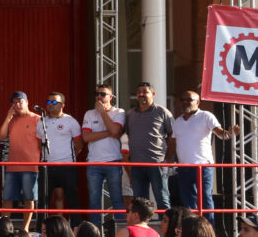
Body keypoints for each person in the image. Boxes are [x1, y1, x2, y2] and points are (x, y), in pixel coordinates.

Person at [172, 90, 233, 227]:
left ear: (198, 102)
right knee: (187, 202)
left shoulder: (206, 116)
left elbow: (221, 134)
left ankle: (209, 232)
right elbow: (173, 144)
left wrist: (230, 133)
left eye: (189, 99)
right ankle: (192, 231)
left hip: (203, 167)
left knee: (205, 199)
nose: (185, 102)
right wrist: (168, 162)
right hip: (183, 168)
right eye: (183, 99)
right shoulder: (178, 121)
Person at [82, 85, 126, 228]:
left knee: (117, 198)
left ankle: (120, 233)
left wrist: (102, 112)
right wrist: (109, 133)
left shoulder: (119, 112)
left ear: (111, 97)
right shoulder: (89, 113)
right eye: (97, 94)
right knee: (94, 200)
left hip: (113, 160)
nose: (99, 97)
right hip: (94, 162)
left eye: (103, 94)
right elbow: (86, 137)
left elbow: (115, 130)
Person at [125, 82, 174, 210]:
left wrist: (168, 160)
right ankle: (143, 229)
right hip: (137, 165)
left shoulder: (162, 112)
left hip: (157, 163)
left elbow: (173, 137)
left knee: (162, 199)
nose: (141, 94)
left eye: (145, 92)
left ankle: (167, 229)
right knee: (140, 204)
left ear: (153, 94)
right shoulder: (130, 114)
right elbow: (129, 136)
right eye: (139, 92)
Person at [37, 92, 83, 226]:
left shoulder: (70, 121)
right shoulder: (41, 122)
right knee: (43, 200)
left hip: (67, 166)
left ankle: (76, 228)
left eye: (54, 102)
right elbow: (40, 144)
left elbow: (79, 145)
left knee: (71, 198)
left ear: (63, 105)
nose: (50, 105)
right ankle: (41, 230)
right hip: (47, 166)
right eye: (48, 102)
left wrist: (66, 157)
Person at [0, 91, 41, 233]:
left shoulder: (37, 119)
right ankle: (3, 227)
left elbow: (44, 142)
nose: (17, 105)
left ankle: (25, 227)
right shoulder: (12, 119)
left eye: (19, 101)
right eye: (14, 102)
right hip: (12, 166)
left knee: (29, 198)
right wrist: (8, 117)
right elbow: (1, 136)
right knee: (7, 198)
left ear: (27, 102)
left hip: (31, 165)